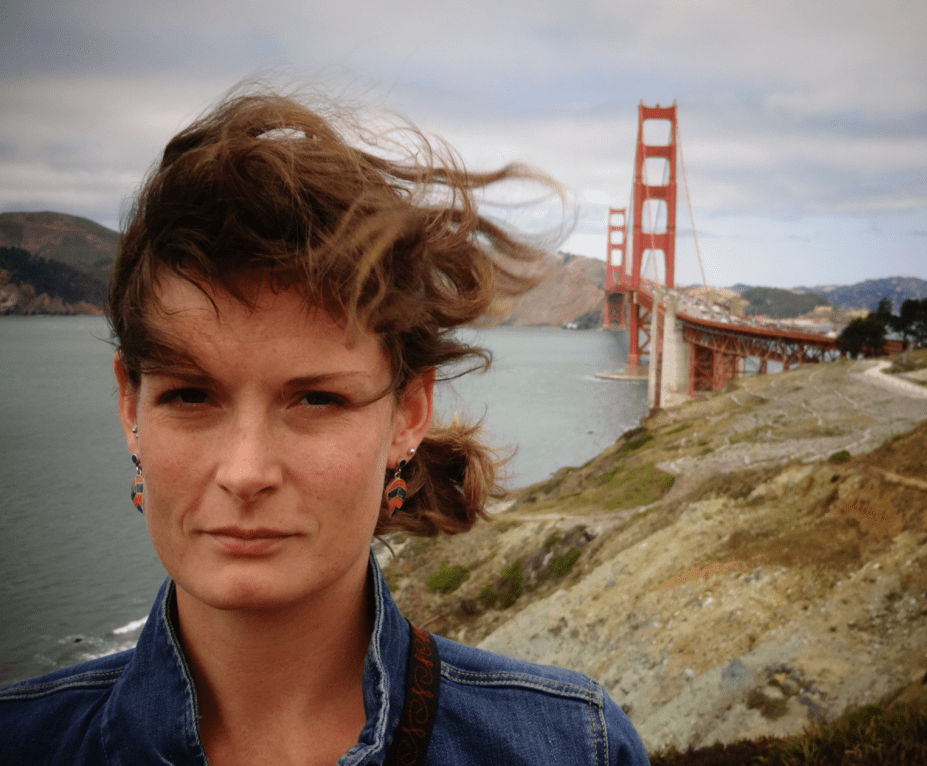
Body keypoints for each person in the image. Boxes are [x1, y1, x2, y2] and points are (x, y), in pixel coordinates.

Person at [0, 88, 649, 765]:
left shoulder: (577, 749)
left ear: (409, 413)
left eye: (315, 400)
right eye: (191, 395)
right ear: (130, 407)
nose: (246, 473)